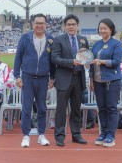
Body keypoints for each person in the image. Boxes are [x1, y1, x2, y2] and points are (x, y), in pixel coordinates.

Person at [14, 13, 56, 147]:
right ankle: (26, 135)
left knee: (42, 107)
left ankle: (41, 135)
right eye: (37, 22)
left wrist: (52, 77)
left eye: (42, 23)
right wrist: (17, 76)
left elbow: (53, 61)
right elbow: (18, 58)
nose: (39, 25)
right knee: (26, 108)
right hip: (27, 77)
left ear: (46, 25)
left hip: (43, 78)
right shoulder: (25, 38)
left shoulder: (51, 39)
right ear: (32, 24)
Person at [51, 14, 89, 147]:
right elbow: (55, 58)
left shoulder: (83, 39)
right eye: (68, 24)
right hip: (64, 78)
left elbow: (86, 57)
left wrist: (87, 62)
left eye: (73, 24)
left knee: (76, 109)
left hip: (79, 78)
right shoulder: (58, 39)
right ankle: (60, 136)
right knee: (61, 109)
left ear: (77, 25)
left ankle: (76, 135)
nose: (71, 27)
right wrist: (71, 62)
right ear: (65, 26)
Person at [89, 18, 122, 147]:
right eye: (100, 28)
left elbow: (116, 62)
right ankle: (103, 133)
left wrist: (103, 62)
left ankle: (110, 135)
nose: (102, 30)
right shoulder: (96, 45)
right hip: (98, 81)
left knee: (111, 108)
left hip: (112, 80)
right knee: (101, 109)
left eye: (105, 28)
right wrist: (91, 79)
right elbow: (92, 63)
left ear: (111, 29)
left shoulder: (116, 44)